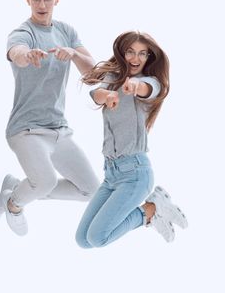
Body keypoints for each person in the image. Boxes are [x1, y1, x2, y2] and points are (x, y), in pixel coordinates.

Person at [0, 0, 99, 236]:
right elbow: (15, 53)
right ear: (27, 0)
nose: (42, 5)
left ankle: (18, 188)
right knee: (45, 181)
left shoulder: (66, 32)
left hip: (59, 130)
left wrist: (74, 53)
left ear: (56, 0)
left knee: (91, 190)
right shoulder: (22, 32)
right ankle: (14, 203)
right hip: (26, 129)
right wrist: (27, 55)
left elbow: (93, 73)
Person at [75, 30, 188, 248]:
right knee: (83, 240)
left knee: (98, 238)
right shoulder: (112, 78)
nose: (136, 59)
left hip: (135, 174)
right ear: (122, 53)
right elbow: (95, 93)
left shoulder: (150, 82)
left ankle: (151, 210)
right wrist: (108, 95)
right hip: (110, 174)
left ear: (149, 58)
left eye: (142, 54)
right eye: (130, 52)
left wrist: (135, 87)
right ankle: (150, 212)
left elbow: (148, 89)